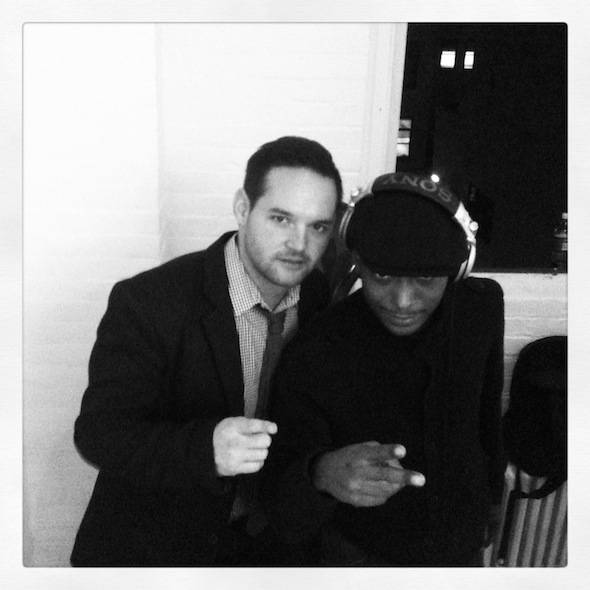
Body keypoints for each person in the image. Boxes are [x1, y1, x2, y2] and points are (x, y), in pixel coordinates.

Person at [70, 136, 342, 566]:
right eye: (281, 219)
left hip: (264, 548)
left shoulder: (316, 296)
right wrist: (205, 449)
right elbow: (98, 435)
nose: (299, 243)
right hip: (156, 552)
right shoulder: (149, 302)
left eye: (318, 227)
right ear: (242, 208)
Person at [261, 171, 506, 566]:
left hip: (461, 544)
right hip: (361, 556)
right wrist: (321, 473)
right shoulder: (316, 349)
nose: (403, 301)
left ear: (459, 269)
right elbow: (278, 493)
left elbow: (486, 413)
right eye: (383, 275)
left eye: (425, 278)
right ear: (358, 263)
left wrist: (492, 498)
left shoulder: (482, 309)